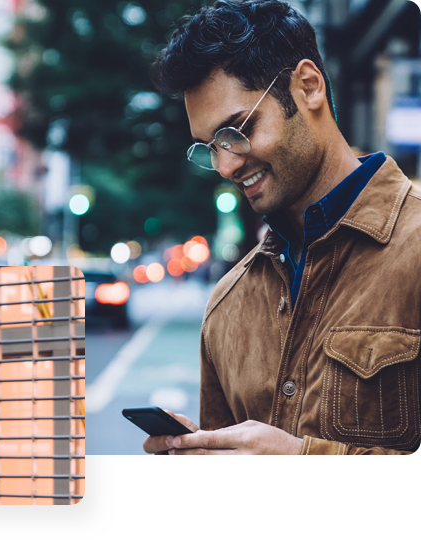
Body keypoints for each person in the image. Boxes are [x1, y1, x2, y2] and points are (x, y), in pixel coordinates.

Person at [144, 0, 420, 455]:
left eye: (237, 129)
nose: (227, 165)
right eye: (210, 147)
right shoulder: (226, 306)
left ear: (308, 86)